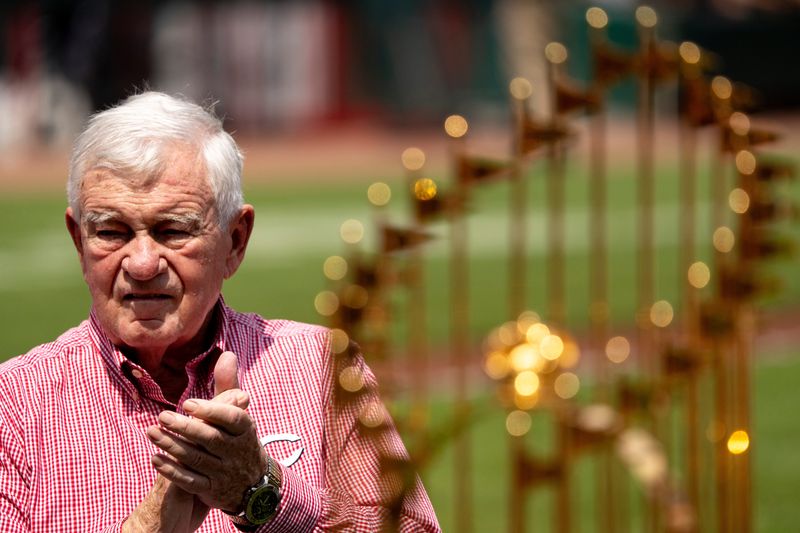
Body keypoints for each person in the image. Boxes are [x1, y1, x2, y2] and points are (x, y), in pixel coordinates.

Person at [0, 91, 440, 532]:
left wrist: (262, 494)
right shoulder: (16, 405)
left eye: (173, 230)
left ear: (235, 242)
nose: (142, 263)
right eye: (111, 232)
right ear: (79, 242)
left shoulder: (322, 366)